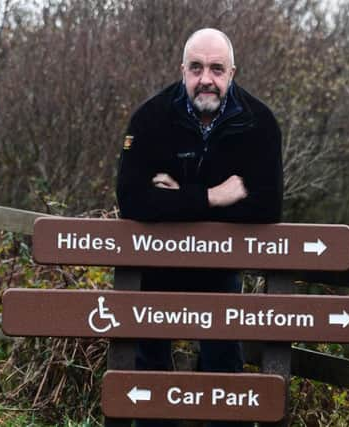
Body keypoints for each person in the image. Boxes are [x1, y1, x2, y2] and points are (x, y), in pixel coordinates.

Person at [116, 28, 283, 427]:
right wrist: (212, 197)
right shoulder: (151, 118)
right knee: (150, 368)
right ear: (182, 70)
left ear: (232, 72)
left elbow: (266, 206)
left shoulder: (259, 123)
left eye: (216, 68)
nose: (205, 78)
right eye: (196, 68)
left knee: (224, 366)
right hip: (157, 262)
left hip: (221, 267)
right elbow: (133, 201)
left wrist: (174, 199)